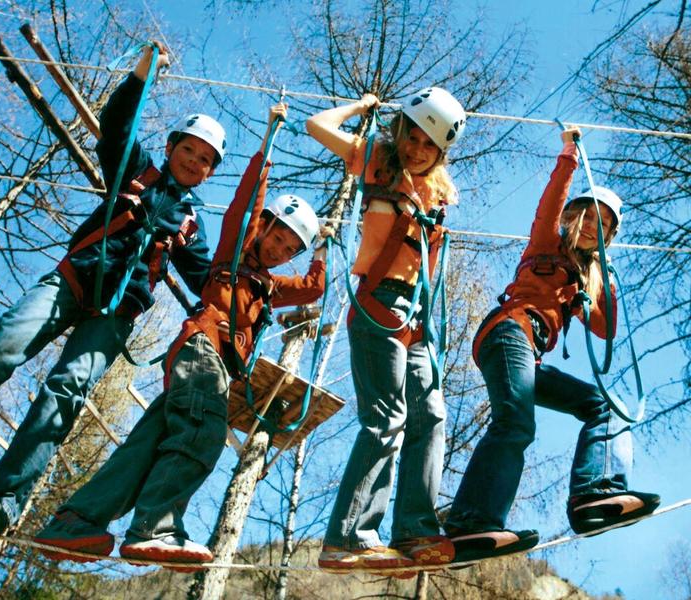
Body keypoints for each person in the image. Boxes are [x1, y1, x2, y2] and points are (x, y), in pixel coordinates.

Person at [0, 42, 224, 553]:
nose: (194, 162)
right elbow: (117, 123)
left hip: (115, 314)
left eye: (205, 161)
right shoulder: (135, 167)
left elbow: (212, 281)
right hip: (73, 280)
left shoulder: (192, 225)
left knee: (64, 394)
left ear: (209, 172)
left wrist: (255, 285)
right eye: (189, 150)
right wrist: (142, 73)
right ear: (173, 145)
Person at [33, 102, 330, 571]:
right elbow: (245, 203)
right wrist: (268, 146)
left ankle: (76, 520)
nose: (278, 250)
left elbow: (315, 288)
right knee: (202, 431)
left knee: (148, 444)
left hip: (206, 367)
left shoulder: (269, 286)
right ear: (264, 227)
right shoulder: (233, 253)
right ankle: (157, 525)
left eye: (289, 249)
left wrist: (324, 249)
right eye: (277, 237)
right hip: (201, 352)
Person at [444, 127, 660, 563]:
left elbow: (606, 328)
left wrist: (603, 278)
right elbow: (549, 205)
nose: (592, 227)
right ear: (572, 217)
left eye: (604, 226)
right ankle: (472, 518)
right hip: (509, 332)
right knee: (516, 423)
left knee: (603, 404)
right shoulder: (547, 242)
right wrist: (568, 157)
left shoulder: (586, 276)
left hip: (531, 352)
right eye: (588, 216)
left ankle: (594, 493)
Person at [306, 87, 466, 574]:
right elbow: (317, 126)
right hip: (379, 301)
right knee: (386, 418)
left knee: (431, 413)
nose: (418, 150)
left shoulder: (439, 192)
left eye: (429, 146)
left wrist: (428, 330)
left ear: (441, 153)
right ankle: (349, 534)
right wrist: (361, 108)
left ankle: (415, 527)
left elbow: (430, 266)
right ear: (399, 133)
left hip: (416, 315)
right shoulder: (378, 160)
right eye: (412, 137)